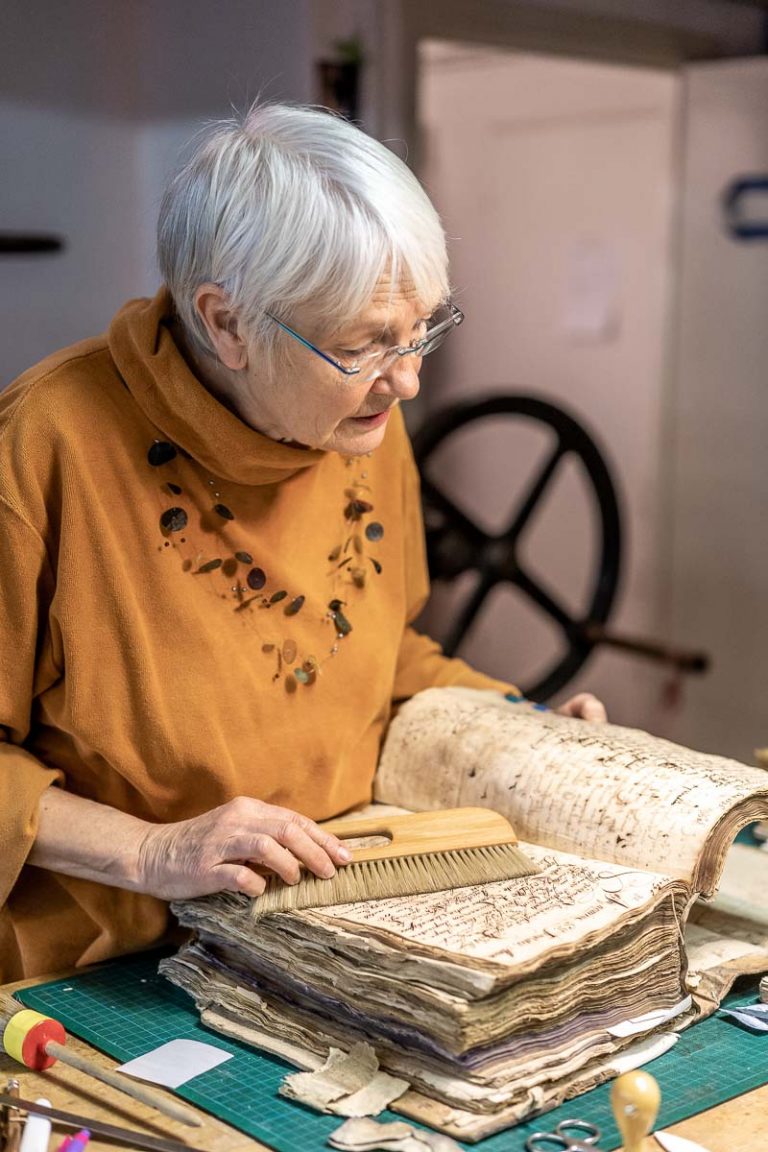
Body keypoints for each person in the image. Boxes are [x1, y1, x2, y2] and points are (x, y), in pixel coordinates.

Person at [0, 103, 605, 982]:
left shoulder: (360, 421)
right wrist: (153, 851)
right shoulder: (43, 446)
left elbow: (379, 656)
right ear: (228, 323)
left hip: (322, 927)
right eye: (364, 346)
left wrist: (523, 731)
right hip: (101, 966)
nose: (407, 380)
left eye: (425, 329)